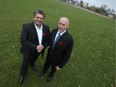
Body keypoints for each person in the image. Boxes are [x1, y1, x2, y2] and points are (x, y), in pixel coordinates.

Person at [38, 17, 74, 83]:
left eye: (63, 25)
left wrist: (61, 65)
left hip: (58, 59)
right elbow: (49, 41)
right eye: (59, 23)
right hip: (49, 54)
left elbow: (67, 54)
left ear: (67, 26)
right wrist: (43, 45)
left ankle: (50, 75)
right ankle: (44, 71)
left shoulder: (69, 39)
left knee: (53, 68)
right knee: (46, 63)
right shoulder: (54, 31)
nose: (60, 26)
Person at [19, 9, 50, 84]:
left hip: (39, 51)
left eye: (41, 18)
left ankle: (32, 65)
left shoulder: (46, 27)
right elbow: (23, 40)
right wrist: (35, 46)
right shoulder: (26, 26)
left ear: (43, 19)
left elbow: (49, 40)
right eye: (37, 17)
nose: (39, 20)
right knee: (25, 63)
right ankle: (22, 75)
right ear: (33, 17)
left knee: (34, 59)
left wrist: (43, 46)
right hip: (29, 51)